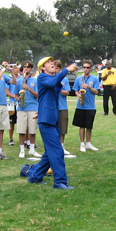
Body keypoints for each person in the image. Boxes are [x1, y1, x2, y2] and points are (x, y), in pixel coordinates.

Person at [25, 57, 79, 189]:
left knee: (50, 153)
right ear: (42, 68)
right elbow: (52, 83)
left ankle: (35, 177)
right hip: (47, 120)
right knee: (57, 151)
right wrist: (66, 70)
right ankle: (60, 182)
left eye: (52, 62)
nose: (52, 64)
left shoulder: (52, 80)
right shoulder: (42, 78)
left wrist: (40, 110)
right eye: (49, 63)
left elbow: (46, 97)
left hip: (50, 118)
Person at [72, 61, 101, 151]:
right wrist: (78, 95)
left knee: (89, 126)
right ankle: (82, 144)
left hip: (90, 106)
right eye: (84, 67)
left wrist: (89, 87)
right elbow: (75, 90)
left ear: (91, 68)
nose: (85, 69)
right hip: (80, 105)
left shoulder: (94, 79)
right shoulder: (79, 79)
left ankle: (88, 143)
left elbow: (97, 92)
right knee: (82, 126)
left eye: (88, 67)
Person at [17, 61, 40, 158]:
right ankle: (22, 150)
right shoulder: (19, 81)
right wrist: (17, 97)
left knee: (32, 130)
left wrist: (28, 88)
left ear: (31, 69)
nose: (26, 68)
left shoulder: (35, 81)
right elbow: (14, 94)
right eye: (25, 67)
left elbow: (38, 95)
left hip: (33, 107)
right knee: (21, 130)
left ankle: (32, 149)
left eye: (28, 67)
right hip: (21, 108)